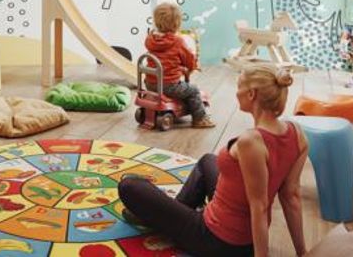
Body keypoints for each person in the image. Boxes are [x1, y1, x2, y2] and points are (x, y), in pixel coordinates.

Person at [119, 63, 309, 257]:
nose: (236, 93)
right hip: (241, 233)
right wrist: (302, 252)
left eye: (239, 86)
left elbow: (259, 207)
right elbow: (291, 196)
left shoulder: (251, 142)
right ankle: (175, 215)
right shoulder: (297, 134)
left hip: (217, 240)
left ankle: (170, 221)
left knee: (129, 185)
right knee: (207, 161)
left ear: (251, 94)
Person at [146, 2, 215, 128]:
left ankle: (179, 107)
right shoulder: (177, 41)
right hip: (169, 86)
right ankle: (200, 119)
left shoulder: (150, 39)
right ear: (177, 24)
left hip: (150, 83)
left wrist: (180, 68)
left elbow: (165, 59)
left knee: (181, 83)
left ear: (156, 21)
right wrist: (193, 66)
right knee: (193, 90)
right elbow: (189, 59)